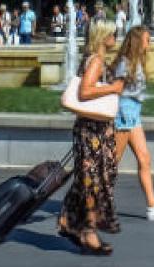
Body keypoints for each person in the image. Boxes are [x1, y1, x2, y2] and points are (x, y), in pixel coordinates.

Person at [58, 19, 124, 255]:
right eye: (113, 34)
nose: (116, 37)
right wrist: (114, 88)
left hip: (94, 131)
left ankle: (68, 220)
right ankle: (88, 232)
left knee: (90, 180)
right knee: (93, 183)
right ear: (104, 35)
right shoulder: (95, 61)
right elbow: (85, 92)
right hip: (92, 134)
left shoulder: (92, 59)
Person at [112, 26, 154, 221]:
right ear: (137, 41)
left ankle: (152, 207)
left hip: (134, 115)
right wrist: (119, 115)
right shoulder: (125, 63)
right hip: (124, 115)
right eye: (147, 40)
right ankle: (94, 203)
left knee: (144, 159)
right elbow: (115, 89)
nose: (149, 45)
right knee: (111, 164)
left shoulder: (136, 62)